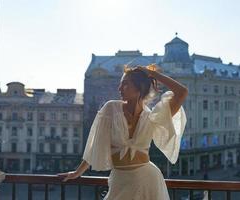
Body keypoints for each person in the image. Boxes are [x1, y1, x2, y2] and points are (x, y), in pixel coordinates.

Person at [57, 64, 188, 200]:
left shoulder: (152, 116)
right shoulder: (111, 108)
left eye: (125, 84)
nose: (119, 88)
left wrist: (152, 74)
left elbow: (182, 92)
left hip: (149, 180)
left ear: (139, 88)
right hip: (120, 180)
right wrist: (78, 173)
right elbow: (95, 144)